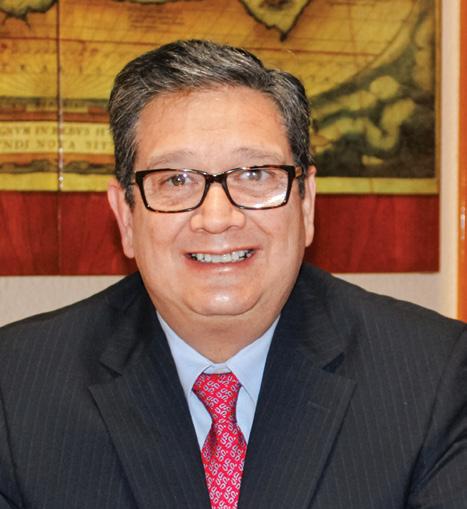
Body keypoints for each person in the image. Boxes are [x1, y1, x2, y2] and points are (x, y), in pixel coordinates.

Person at [0, 40, 466, 509]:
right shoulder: (16, 388)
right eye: (177, 180)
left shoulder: (434, 377)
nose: (217, 218)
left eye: (255, 174)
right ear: (125, 217)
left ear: (306, 203)